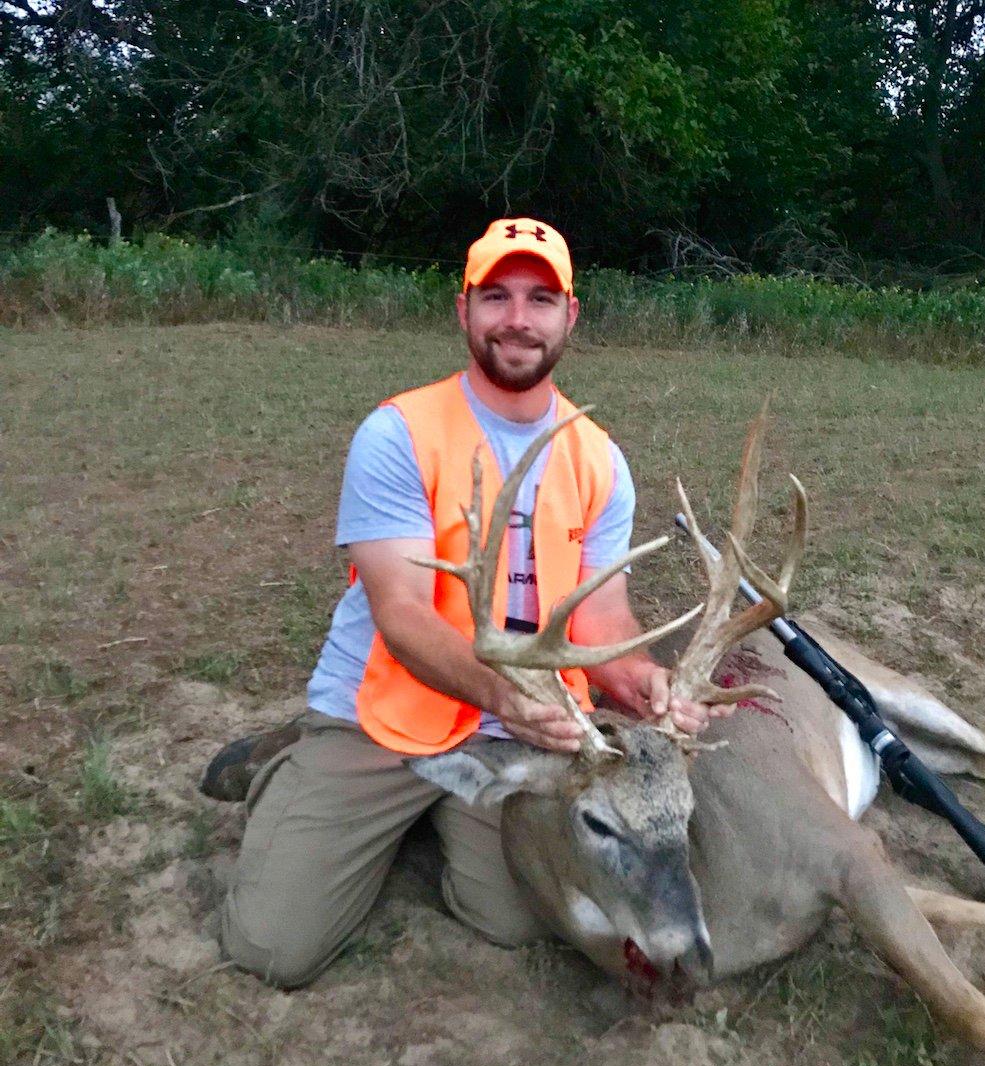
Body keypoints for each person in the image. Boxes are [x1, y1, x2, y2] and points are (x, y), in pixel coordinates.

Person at [207, 218, 733, 989]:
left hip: (518, 734)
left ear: (569, 316)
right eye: (496, 296)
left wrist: (640, 679)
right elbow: (403, 614)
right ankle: (286, 763)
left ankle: (423, 824)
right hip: (381, 716)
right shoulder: (399, 433)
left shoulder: (600, 459)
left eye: (539, 298)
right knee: (271, 949)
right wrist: (500, 694)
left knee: (516, 921)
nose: (517, 318)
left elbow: (604, 618)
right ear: (464, 311)